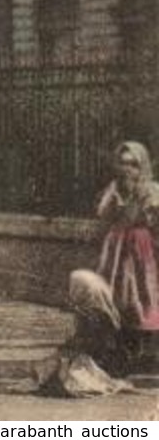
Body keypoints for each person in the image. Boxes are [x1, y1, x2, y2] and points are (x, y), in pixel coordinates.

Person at [95, 140, 159, 368]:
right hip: (117, 246)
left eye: (133, 164)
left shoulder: (151, 190)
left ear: (141, 166)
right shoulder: (114, 190)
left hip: (142, 248)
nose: (127, 169)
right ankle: (121, 347)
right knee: (117, 291)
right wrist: (114, 197)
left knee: (142, 292)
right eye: (122, 163)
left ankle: (146, 349)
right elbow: (103, 215)